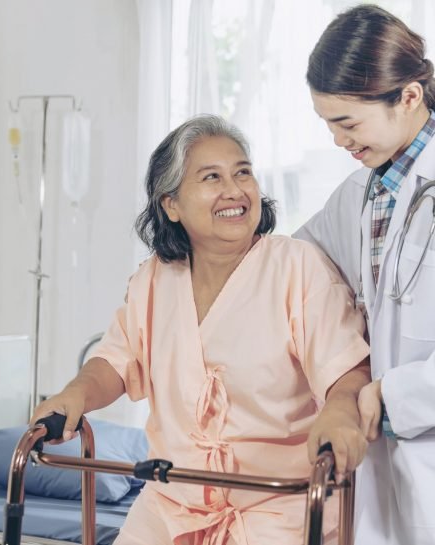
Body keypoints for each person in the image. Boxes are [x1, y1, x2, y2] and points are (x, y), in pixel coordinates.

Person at [32, 114, 370, 544]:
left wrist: (341, 411)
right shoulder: (154, 279)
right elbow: (116, 361)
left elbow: (344, 367)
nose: (234, 190)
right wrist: (74, 394)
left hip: (274, 508)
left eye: (242, 172)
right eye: (212, 177)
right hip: (171, 503)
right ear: (171, 204)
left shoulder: (296, 267)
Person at [294, 4, 435, 544]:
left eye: (347, 122)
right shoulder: (362, 192)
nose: (337, 140)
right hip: (385, 471)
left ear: (408, 97)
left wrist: (393, 395)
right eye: (327, 123)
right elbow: (291, 265)